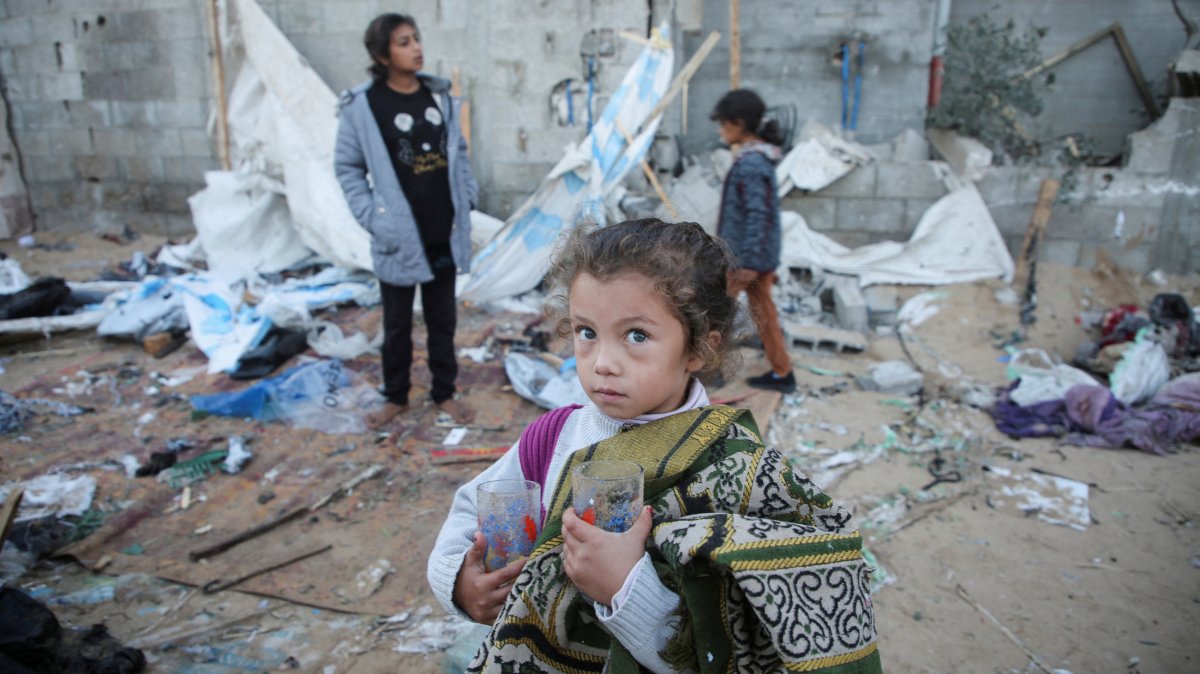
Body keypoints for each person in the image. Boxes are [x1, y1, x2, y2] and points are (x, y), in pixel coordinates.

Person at [427, 219, 881, 673]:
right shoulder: (551, 439)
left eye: (636, 336)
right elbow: (472, 509)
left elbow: (736, 653)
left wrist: (626, 587)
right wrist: (459, 584)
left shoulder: (734, 468)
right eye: (586, 331)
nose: (603, 363)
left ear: (698, 349)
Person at [334, 13, 477, 428]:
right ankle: (395, 396)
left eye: (416, 39)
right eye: (403, 42)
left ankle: (444, 393)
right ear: (382, 54)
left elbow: (459, 153)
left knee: (442, 321)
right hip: (397, 237)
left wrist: (467, 195)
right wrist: (373, 219)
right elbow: (347, 167)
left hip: (443, 232)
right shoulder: (364, 107)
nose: (416, 48)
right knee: (397, 326)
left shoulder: (438, 98)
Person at [711, 89, 797, 393]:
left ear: (739, 123)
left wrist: (747, 263)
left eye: (723, 123)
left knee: (717, 314)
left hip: (744, 260)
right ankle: (782, 372)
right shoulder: (758, 159)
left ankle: (709, 372)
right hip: (756, 258)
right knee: (764, 315)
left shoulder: (751, 164)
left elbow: (759, 216)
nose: (720, 130)